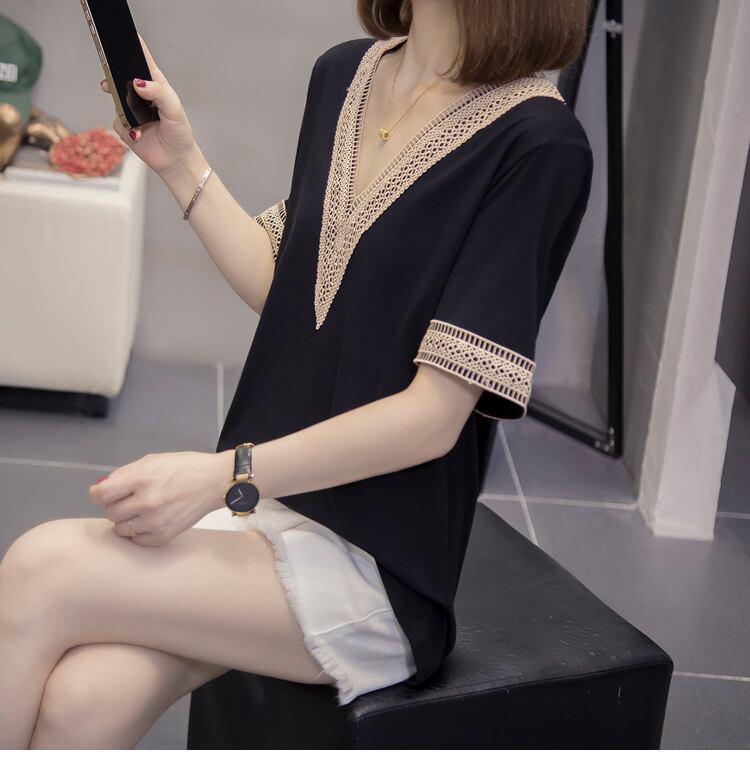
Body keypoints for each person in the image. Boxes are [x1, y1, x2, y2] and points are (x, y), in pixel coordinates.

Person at [0, 0, 593, 748]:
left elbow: (432, 420)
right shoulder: (344, 74)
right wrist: (180, 161)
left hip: (377, 565)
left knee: (40, 567)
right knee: (84, 700)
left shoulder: (539, 144)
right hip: (271, 508)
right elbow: (285, 285)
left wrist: (223, 476)